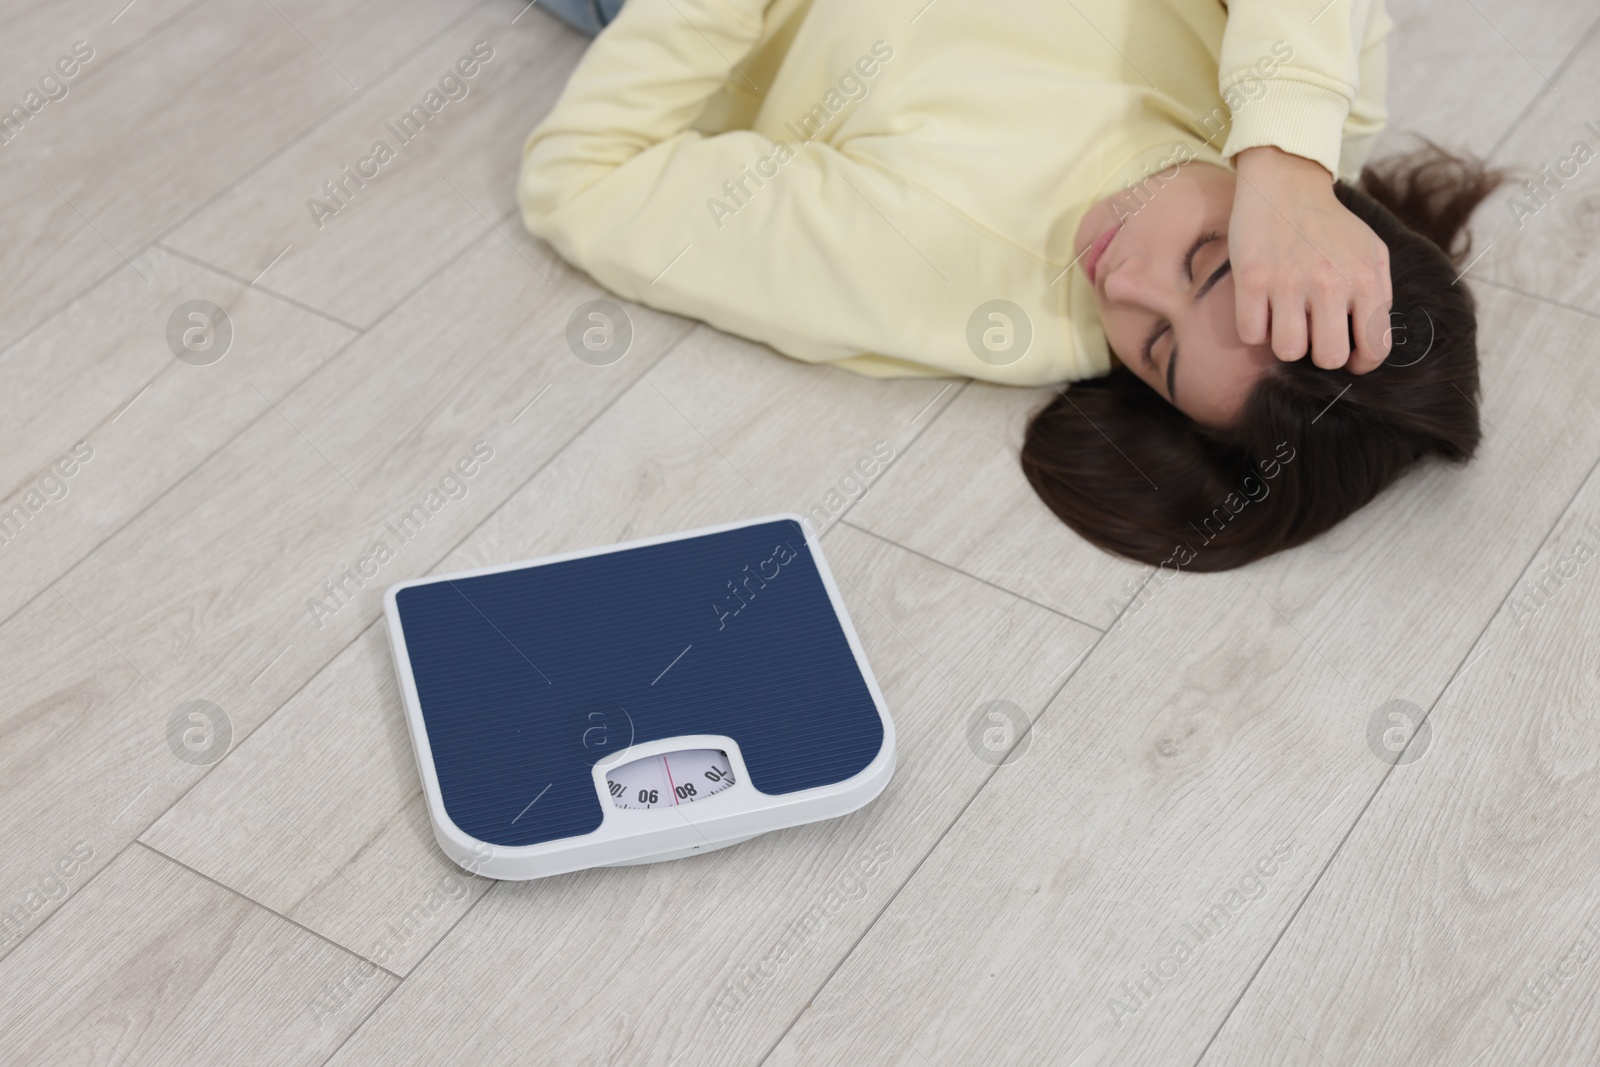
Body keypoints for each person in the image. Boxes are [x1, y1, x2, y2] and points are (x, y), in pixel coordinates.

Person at [518, 0, 1507, 570]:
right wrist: (1286, 152)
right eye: (1203, 262)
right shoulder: (1305, 103)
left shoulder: (963, 276)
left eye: (1154, 351)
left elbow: (583, 182)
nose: (1122, 282)